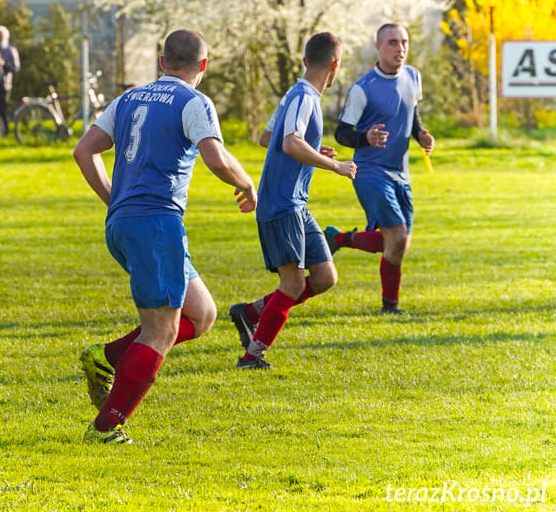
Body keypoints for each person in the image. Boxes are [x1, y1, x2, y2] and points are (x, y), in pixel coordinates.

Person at [73, 29, 257, 444]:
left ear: (161, 61)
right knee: (161, 331)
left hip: (124, 225)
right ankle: (106, 427)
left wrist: (114, 198)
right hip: (157, 223)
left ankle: (106, 357)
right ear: (203, 67)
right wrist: (247, 183)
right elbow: (215, 157)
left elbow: (84, 151)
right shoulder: (194, 102)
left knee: (202, 314)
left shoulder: (130, 99)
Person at [228, 32, 356, 369]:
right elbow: (288, 143)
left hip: (296, 205)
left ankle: (250, 312)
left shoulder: (298, 95)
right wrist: (335, 165)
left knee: (325, 276)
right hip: (281, 205)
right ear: (336, 65)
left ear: (304, 60)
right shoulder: (303, 96)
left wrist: (314, 150)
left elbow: (266, 137)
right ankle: (252, 356)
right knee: (294, 283)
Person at [323, 23, 435, 314]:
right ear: (378, 47)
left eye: (404, 42)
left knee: (399, 245)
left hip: (401, 173)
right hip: (370, 171)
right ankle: (390, 307)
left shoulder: (413, 76)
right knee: (396, 238)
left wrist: (420, 134)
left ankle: (339, 238)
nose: (400, 49)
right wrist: (366, 138)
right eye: (392, 43)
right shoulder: (364, 88)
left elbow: (411, 110)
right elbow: (342, 133)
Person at [0, 25, 20, 135]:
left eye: (1, 37)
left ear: (6, 38)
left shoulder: (11, 51)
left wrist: (4, 65)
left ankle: (5, 132)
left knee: (3, 109)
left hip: (5, 85)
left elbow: (16, 68)